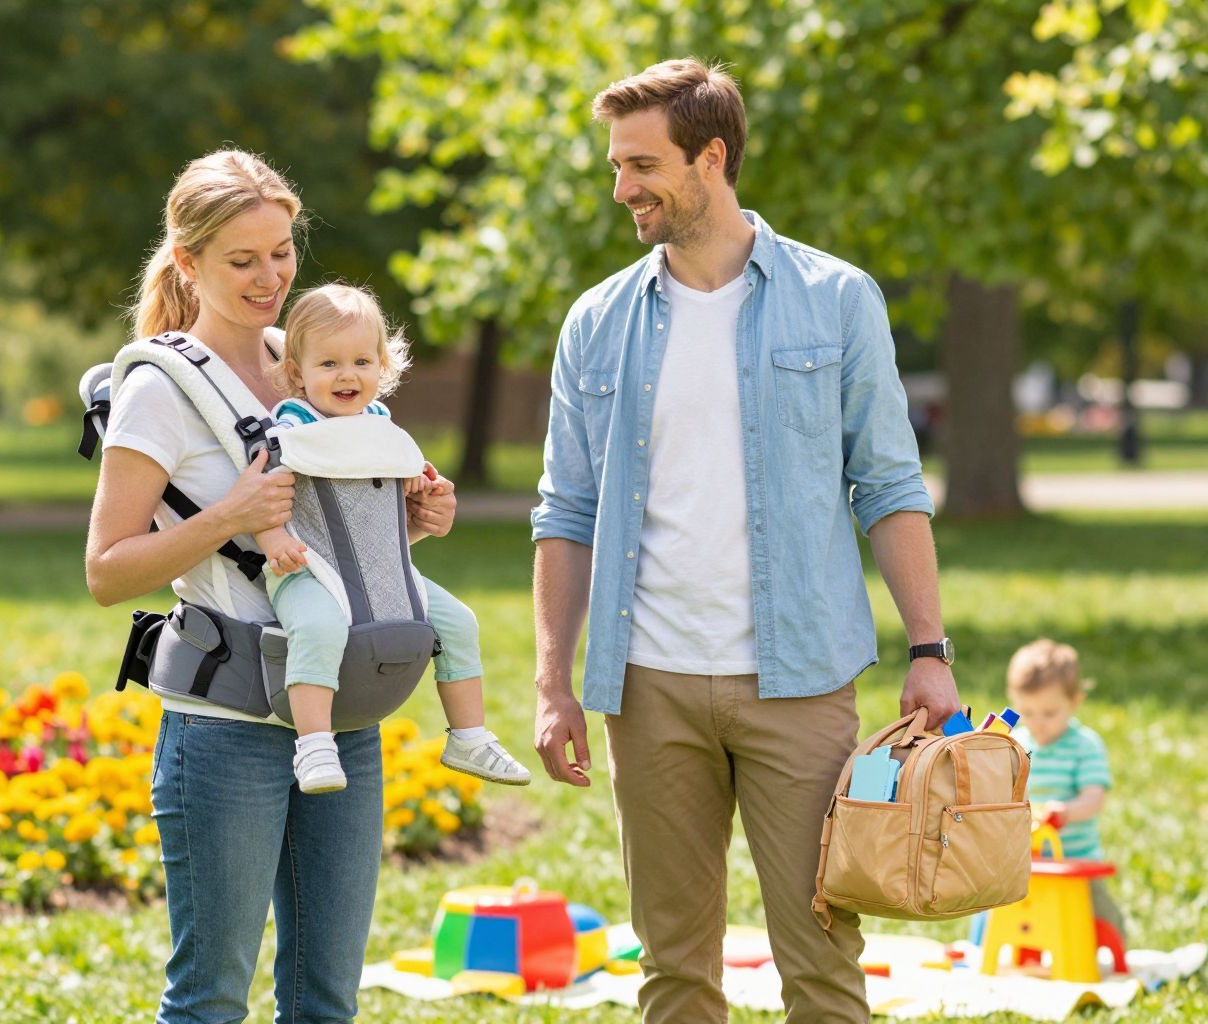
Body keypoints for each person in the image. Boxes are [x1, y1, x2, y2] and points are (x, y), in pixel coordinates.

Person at [529, 59, 961, 1023]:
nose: (621, 188)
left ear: (711, 157)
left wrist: (929, 651)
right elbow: (564, 511)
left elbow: (888, 484)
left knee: (822, 961)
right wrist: (554, 682)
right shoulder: (595, 323)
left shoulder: (836, 298)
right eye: (614, 165)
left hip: (801, 681)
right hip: (647, 686)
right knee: (674, 970)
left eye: (640, 164)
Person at [84, 149, 457, 1024]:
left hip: (343, 716)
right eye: (241, 261)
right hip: (227, 730)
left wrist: (412, 520)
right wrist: (230, 514)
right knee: (213, 999)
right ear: (188, 263)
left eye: (282, 252)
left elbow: (333, 536)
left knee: (328, 998)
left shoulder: (314, 363)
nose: (270, 278)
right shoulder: (157, 391)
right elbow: (105, 572)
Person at [253, 283, 530, 794]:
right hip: (307, 570)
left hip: (384, 570)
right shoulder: (293, 423)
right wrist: (272, 540)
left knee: (459, 623)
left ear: (383, 365)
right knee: (317, 630)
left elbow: (392, 496)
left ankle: (469, 735)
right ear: (297, 373)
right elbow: (260, 491)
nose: (347, 375)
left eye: (362, 360)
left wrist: (423, 492)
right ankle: (314, 745)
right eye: (329, 363)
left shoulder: (381, 424)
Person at [1006, 638, 1124, 938]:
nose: (1038, 723)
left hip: (1077, 860)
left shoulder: (1084, 745)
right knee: (1005, 917)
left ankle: (1117, 950)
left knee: (1099, 919)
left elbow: (1093, 799)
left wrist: (1067, 812)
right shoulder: (1016, 745)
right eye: (1028, 713)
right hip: (1027, 862)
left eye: (1049, 713)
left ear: (1075, 701)